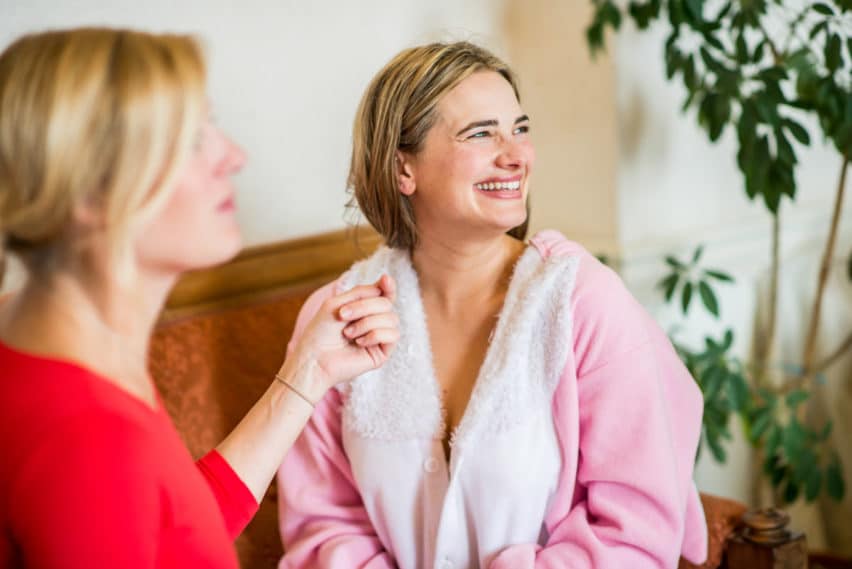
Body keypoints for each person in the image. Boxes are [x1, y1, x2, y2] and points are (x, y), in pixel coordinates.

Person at [277, 41, 709, 569]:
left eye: (520, 129)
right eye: (481, 133)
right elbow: (326, 526)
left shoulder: (584, 306)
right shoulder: (339, 320)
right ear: (402, 169)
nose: (516, 154)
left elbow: (632, 535)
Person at [0, 28, 399, 569]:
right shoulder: (86, 436)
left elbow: (171, 529)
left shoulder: (51, 345)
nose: (232, 156)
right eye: (191, 140)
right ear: (90, 193)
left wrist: (309, 371)